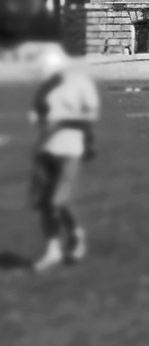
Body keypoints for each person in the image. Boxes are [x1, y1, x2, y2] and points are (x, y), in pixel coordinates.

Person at [27, 44, 100, 270]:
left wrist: (63, 119)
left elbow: (92, 114)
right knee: (44, 203)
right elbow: (39, 113)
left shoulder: (80, 82)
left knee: (59, 200)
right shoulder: (45, 86)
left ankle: (76, 233)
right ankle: (53, 250)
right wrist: (38, 117)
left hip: (70, 148)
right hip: (46, 148)